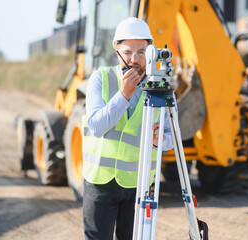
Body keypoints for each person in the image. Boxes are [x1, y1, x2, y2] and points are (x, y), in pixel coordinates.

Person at [83, 17, 173, 240]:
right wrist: (123, 94)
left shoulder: (161, 88)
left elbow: (171, 139)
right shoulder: (100, 79)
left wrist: (159, 140)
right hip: (100, 183)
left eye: (141, 52)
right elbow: (96, 126)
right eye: (128, 52)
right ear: (117, 51)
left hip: (139, 185)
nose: (135, 60)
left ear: (150, 52)